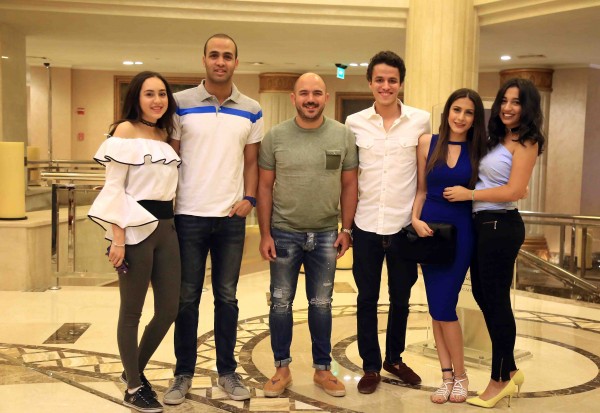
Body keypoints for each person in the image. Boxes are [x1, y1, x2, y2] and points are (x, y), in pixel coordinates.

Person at [164, 33, 263, 404]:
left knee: (227, 297)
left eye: (227, 56)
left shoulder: (251, 108)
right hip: (188, 215)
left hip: (230, 218)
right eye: (214, 55)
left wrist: (249, 199)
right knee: (186, 298)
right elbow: (171, 158)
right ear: (204, 59)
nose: (221, 61)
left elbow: (251, 162)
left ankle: (227, 372)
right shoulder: (180, 104)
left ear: (236, 62)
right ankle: (182, 374)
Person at [444, 78, 545, 408]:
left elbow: (514, 190)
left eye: (516, 102)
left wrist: (470, 194)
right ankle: (511, 368)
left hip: (501, 224)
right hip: (482, 224)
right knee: (483, 295)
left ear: (527, 107)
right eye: (504, 100)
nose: (508, 107)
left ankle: (500, 379)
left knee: (497, 301)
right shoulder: (495, 138)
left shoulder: (527, 141)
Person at [257, 73, 358, 398]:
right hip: (283, 233)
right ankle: (281, 369)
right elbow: (264, 187)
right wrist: (265, 233)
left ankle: (323, 370)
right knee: (280, 303)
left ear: (326, 97)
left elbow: (349, 185)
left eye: (316, 93)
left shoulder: (343, 135)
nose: (310, 99)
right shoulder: (275, 136)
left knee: (322, 304)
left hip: (327, 234)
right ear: (293, 98)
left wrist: (346, 229)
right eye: (304, 93)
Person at [88, 71, 181, 413]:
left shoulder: (164, 134)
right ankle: (133, 387)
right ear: (136, 98)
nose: (157, 100)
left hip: (167, 229)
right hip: (135, 230)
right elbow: (114, 190)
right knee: (131, 311)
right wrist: (118, 239)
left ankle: (133, 370)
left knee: (169, 308)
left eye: (162, 93)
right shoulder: (123, 131)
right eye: (149, 94)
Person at [345, 51, 430, 394]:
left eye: (392, 80)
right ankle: (370, 366)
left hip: (403, 227)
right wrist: (345, 226)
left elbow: (424, 177)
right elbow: (349, 178)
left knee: (401, 299)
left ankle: (394, 359)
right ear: (370, 83)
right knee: (366, 299)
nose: (385, 86)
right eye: (379, 79)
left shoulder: (420, 121)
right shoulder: (354, 123)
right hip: (365, 225)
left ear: (401, 83)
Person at [411, 89, 487, 403]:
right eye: (457, 110)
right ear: (447, 112)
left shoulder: (480, 149)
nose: (461, 117)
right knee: (435, 306)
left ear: (475, 118)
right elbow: (420, 189)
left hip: (462, 231)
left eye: (468, 112)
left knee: (444, 305)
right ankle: (446, 377)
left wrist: (469, 194)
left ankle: (462, 375)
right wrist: (414, 219)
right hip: (429, 230)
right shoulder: (426, 143)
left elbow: (492, 191)